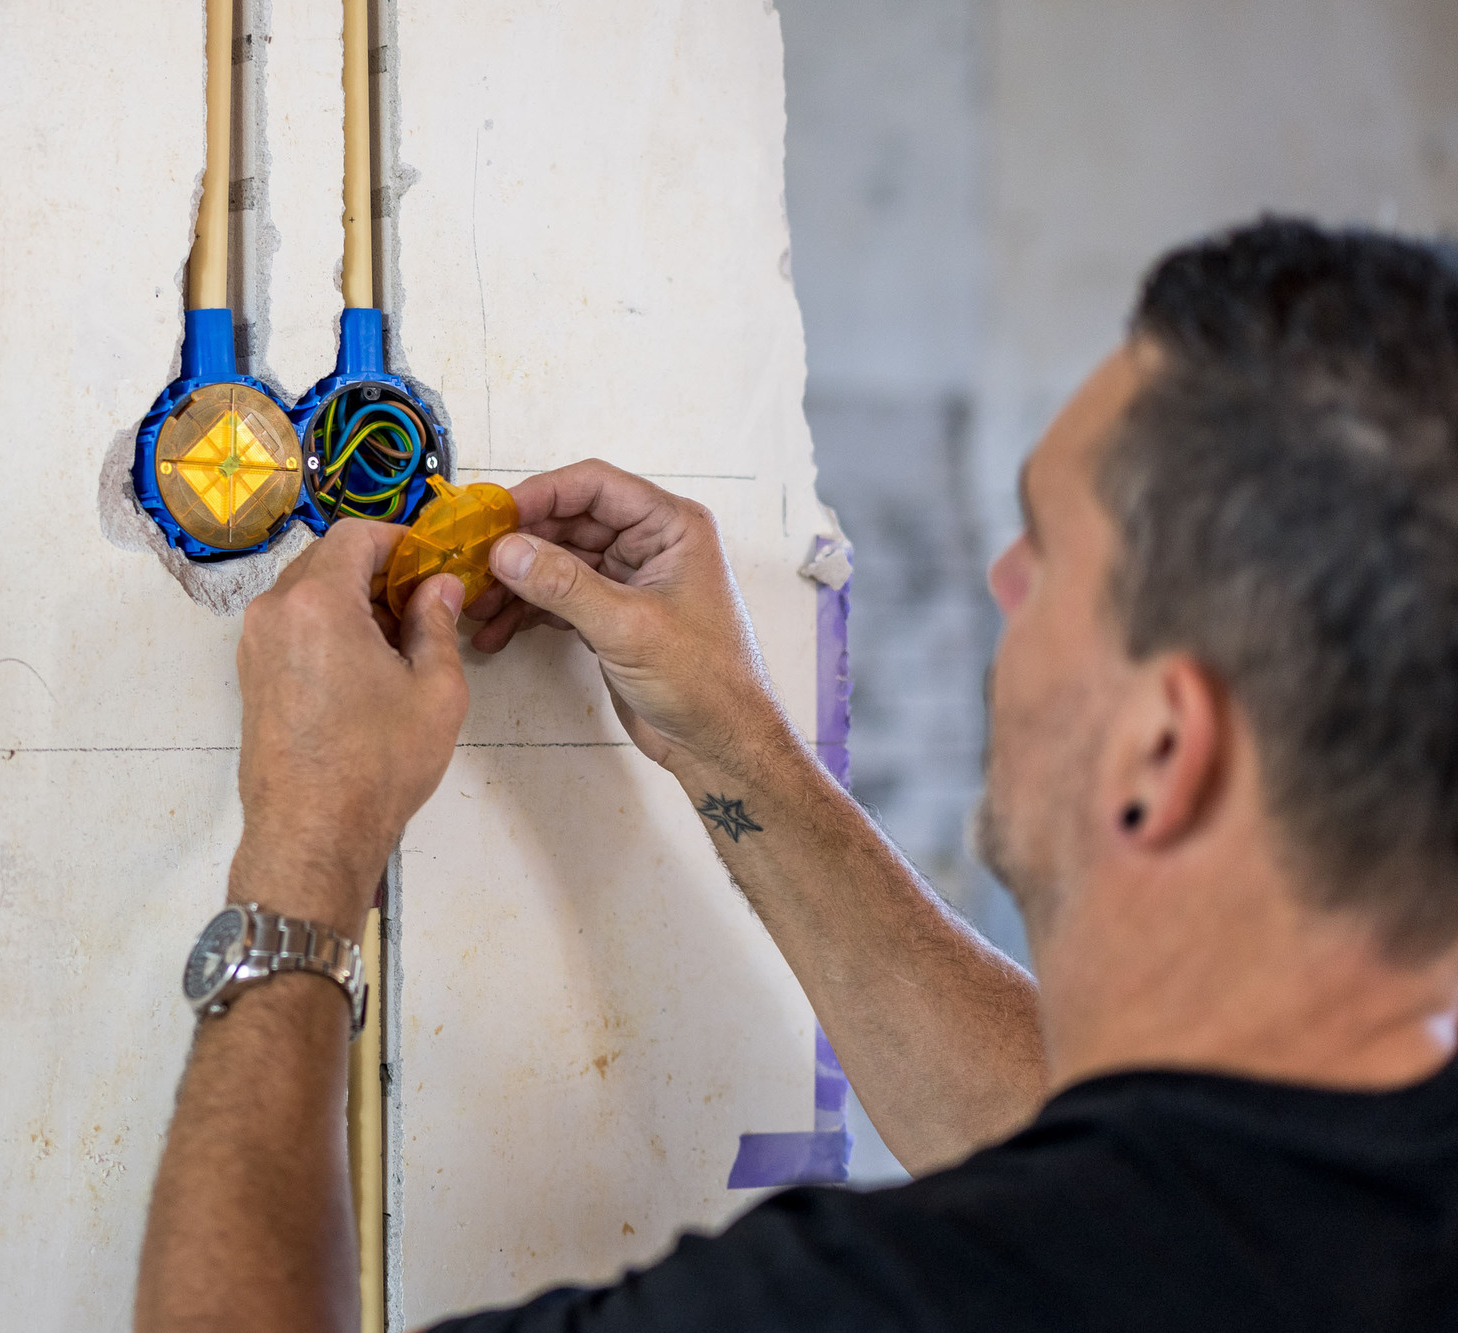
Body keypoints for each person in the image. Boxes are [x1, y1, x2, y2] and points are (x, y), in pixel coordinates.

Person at [135, 219, 1458, 1330]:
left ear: (1162, 750)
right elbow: (1111, 1160)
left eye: (1046, 552)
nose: (1002, 581)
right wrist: (734, 741)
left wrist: (308, 846)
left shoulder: (893, 1304)